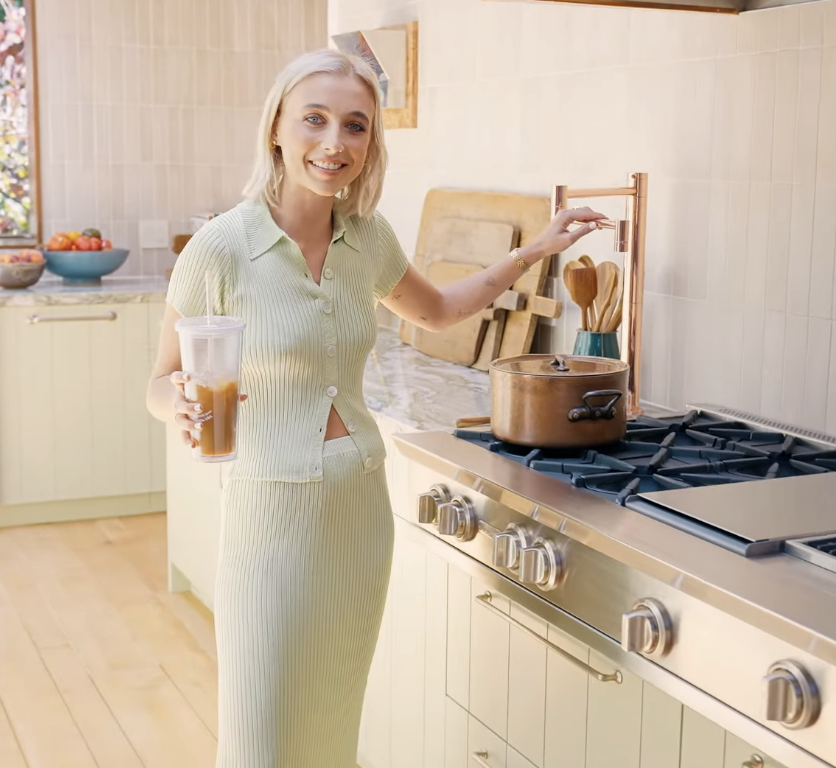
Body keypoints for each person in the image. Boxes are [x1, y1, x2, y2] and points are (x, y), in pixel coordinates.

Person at [146, 48, 605, 768]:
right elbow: (160, 380)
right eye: (316, 120)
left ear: (371, 143)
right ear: (277, 129)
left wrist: (537, 251)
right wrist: (175, 406)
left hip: (359, 509)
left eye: (355, 126)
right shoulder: (222, 248)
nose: (335, 144)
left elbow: (444, 308)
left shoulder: (368, 238)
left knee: (332, 729)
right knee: (259, 739)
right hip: (269, 512)